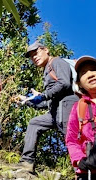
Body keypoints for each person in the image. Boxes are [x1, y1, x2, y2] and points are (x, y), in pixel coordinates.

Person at [14, 41, 79, 172]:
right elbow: (46, 102)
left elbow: (64, 83)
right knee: (35, 123)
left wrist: (43, 95)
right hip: (55, 110)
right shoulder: (47, 70)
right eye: (32, 57)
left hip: (67, 106)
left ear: (46, 50)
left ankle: (83, 174)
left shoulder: (57, 62)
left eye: (36, 53)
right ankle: (27, 163)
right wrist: (27, 100)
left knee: (73, 139)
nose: (34, 57)